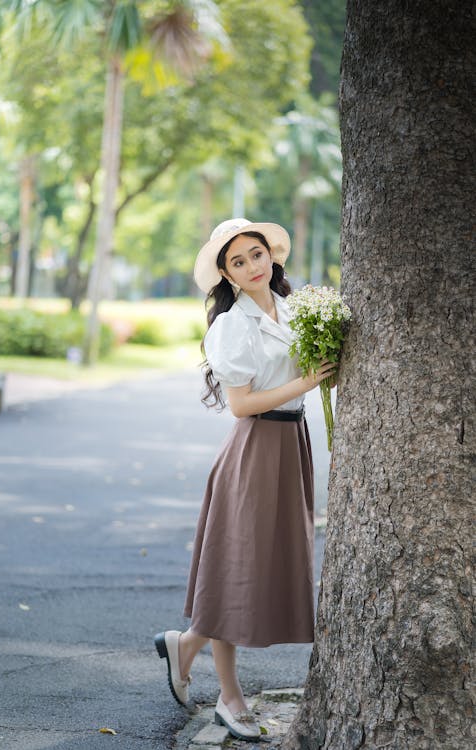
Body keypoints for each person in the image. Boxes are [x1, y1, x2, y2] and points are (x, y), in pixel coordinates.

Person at [155, 218, 336, 741]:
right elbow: (240, 405)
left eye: (257, 254)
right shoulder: (232, 326)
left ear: (271, 256)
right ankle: (229, 700)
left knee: (258, 566)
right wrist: (305, 381)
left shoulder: (296, 309)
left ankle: (185, 646)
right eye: (239, 262)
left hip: (291, 446)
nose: (253, 267)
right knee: (235, 571)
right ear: (227, 275)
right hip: (255, 448)